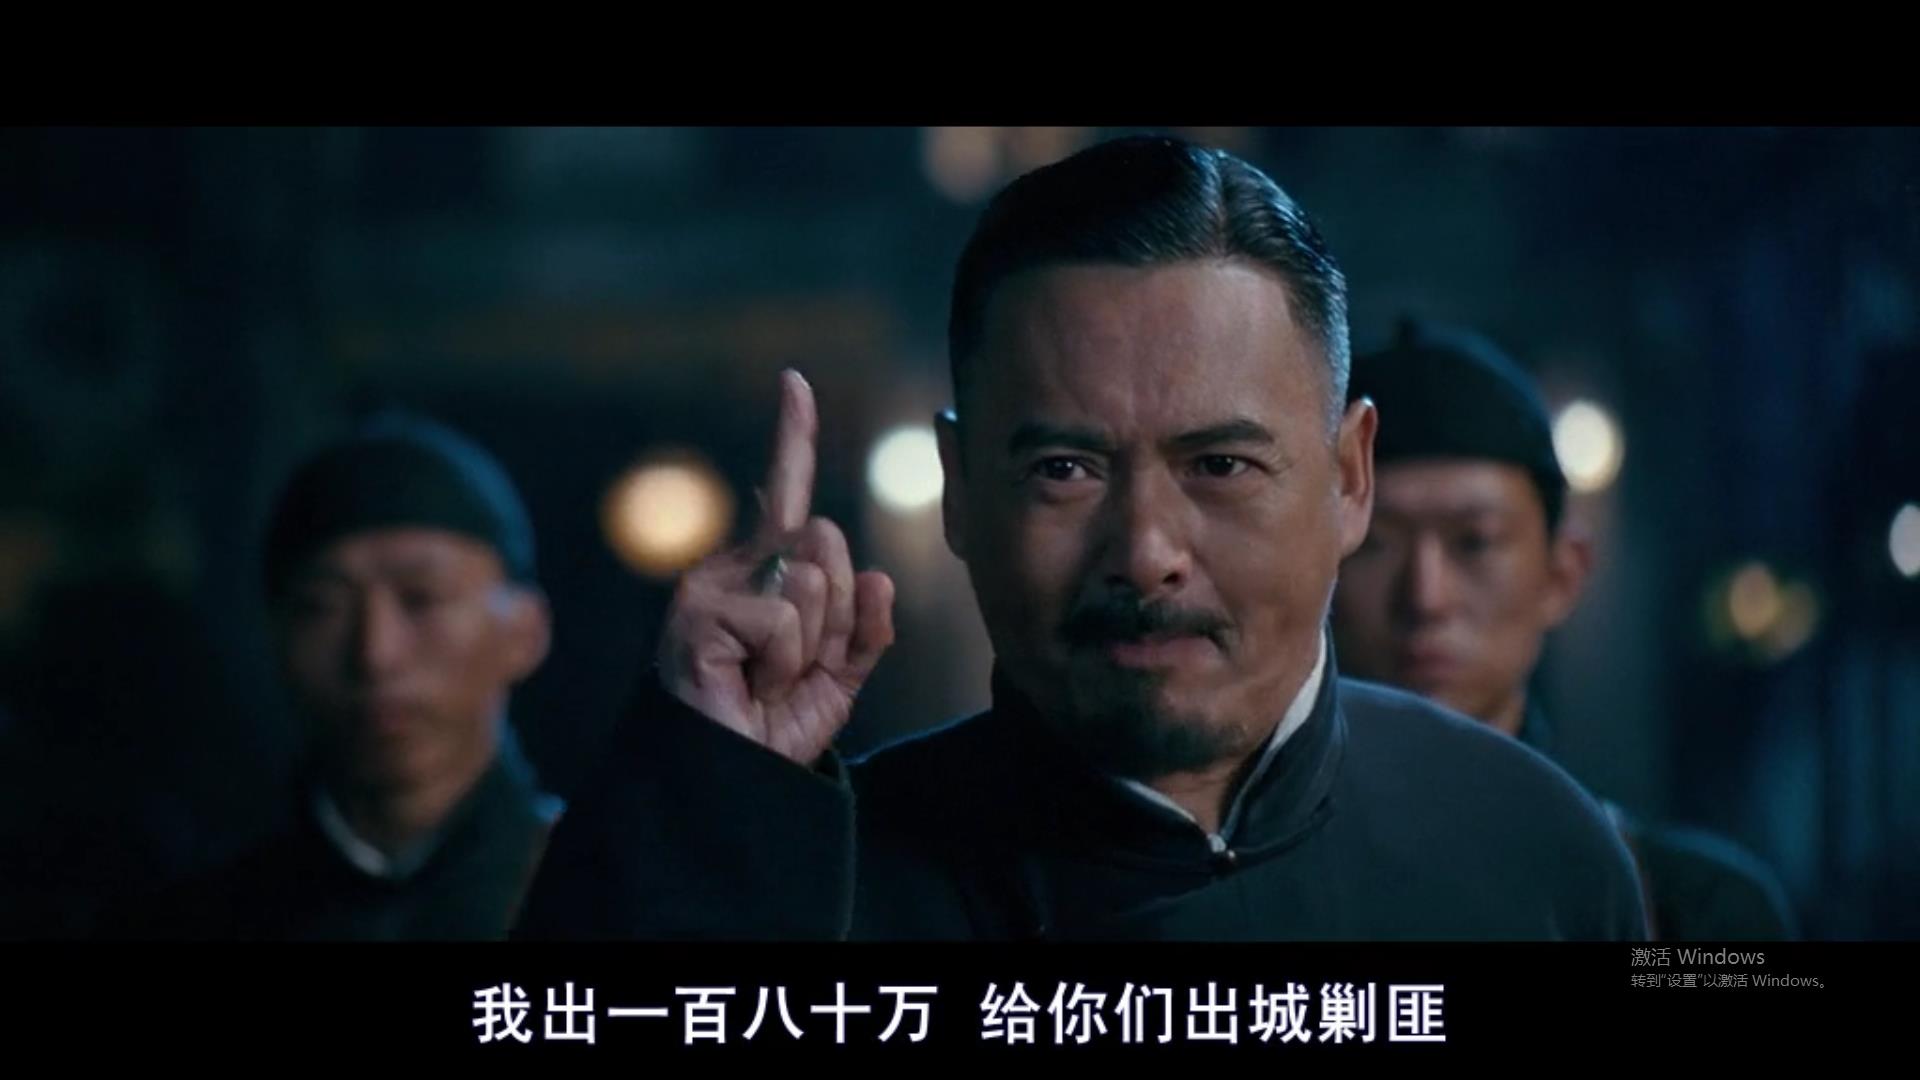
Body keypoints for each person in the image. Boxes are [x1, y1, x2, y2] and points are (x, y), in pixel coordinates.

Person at [517, 135, 1646, 941]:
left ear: (1348, 479)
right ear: (961, 490)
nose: (1146, 551)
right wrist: (702, 814)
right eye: (1065, 469)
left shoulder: (1533, 852)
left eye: (1220, 466)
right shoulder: (819, 882)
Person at [1331, 317, 1797, 940]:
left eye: (1475, 542)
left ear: (1561, 575)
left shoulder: (1690, 913)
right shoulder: (1245, 897)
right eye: (1374, 544)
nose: (1426, 597)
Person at [114, 413, 559, 940]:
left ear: (525, 633)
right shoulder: (186, 920)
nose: (374, 653)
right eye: (322, 606)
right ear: (274, 638)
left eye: (421, 599)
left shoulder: (609, 895)